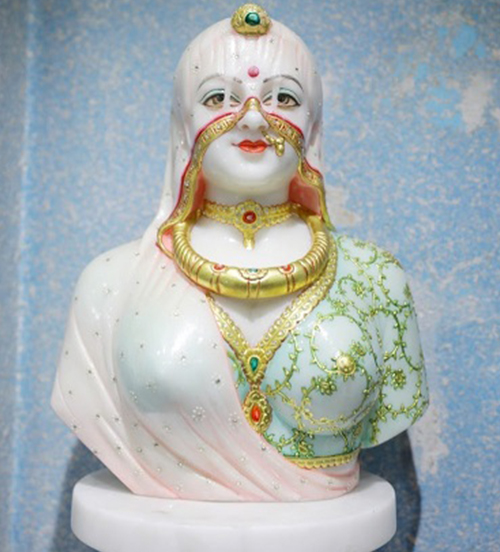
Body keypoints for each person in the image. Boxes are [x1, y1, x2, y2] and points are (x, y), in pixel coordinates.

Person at [52, 4, 428, 501]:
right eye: (218, 98)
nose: (253, 119)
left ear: (314, 127)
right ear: (183, 125)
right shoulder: (110, 284)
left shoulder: (376, 280)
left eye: (283, 98)